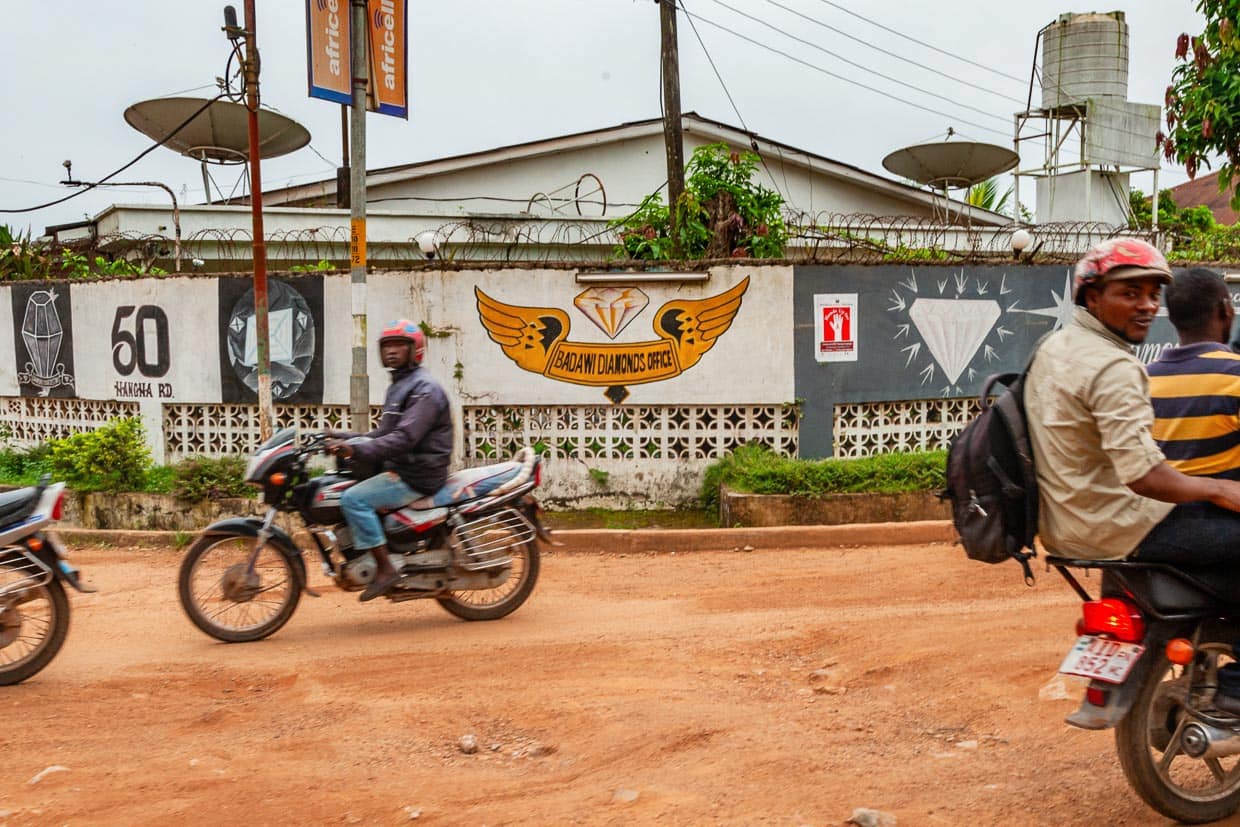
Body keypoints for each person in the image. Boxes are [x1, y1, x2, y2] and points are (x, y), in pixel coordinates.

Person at [1025, 238, 1240, 565]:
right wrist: (1219, 490)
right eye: (1130, 293)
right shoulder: (1113, 366)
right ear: (1094, 297)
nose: (1147, 306)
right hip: (1123, 528)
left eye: (1153, 295)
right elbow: (1144, 476)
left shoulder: (1053, 346)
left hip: (1064, 527)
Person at [325, 319, 454, 601]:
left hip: (417, 473)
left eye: (399, 346)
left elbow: (404, 438)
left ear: (415, 350)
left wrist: (354, 450)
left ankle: (385, 569)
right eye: (387, 346)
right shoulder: (401, 385)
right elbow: (383, 434)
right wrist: (342, 437)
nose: (392, 351)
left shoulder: (424, 389)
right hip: (403, 466)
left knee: (353, 499)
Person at [1148, 268, 1240, 481]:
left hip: (1158, 510)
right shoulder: (1235, 376)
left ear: (1170, 316)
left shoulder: (1143, 379)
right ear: (1225, 309)